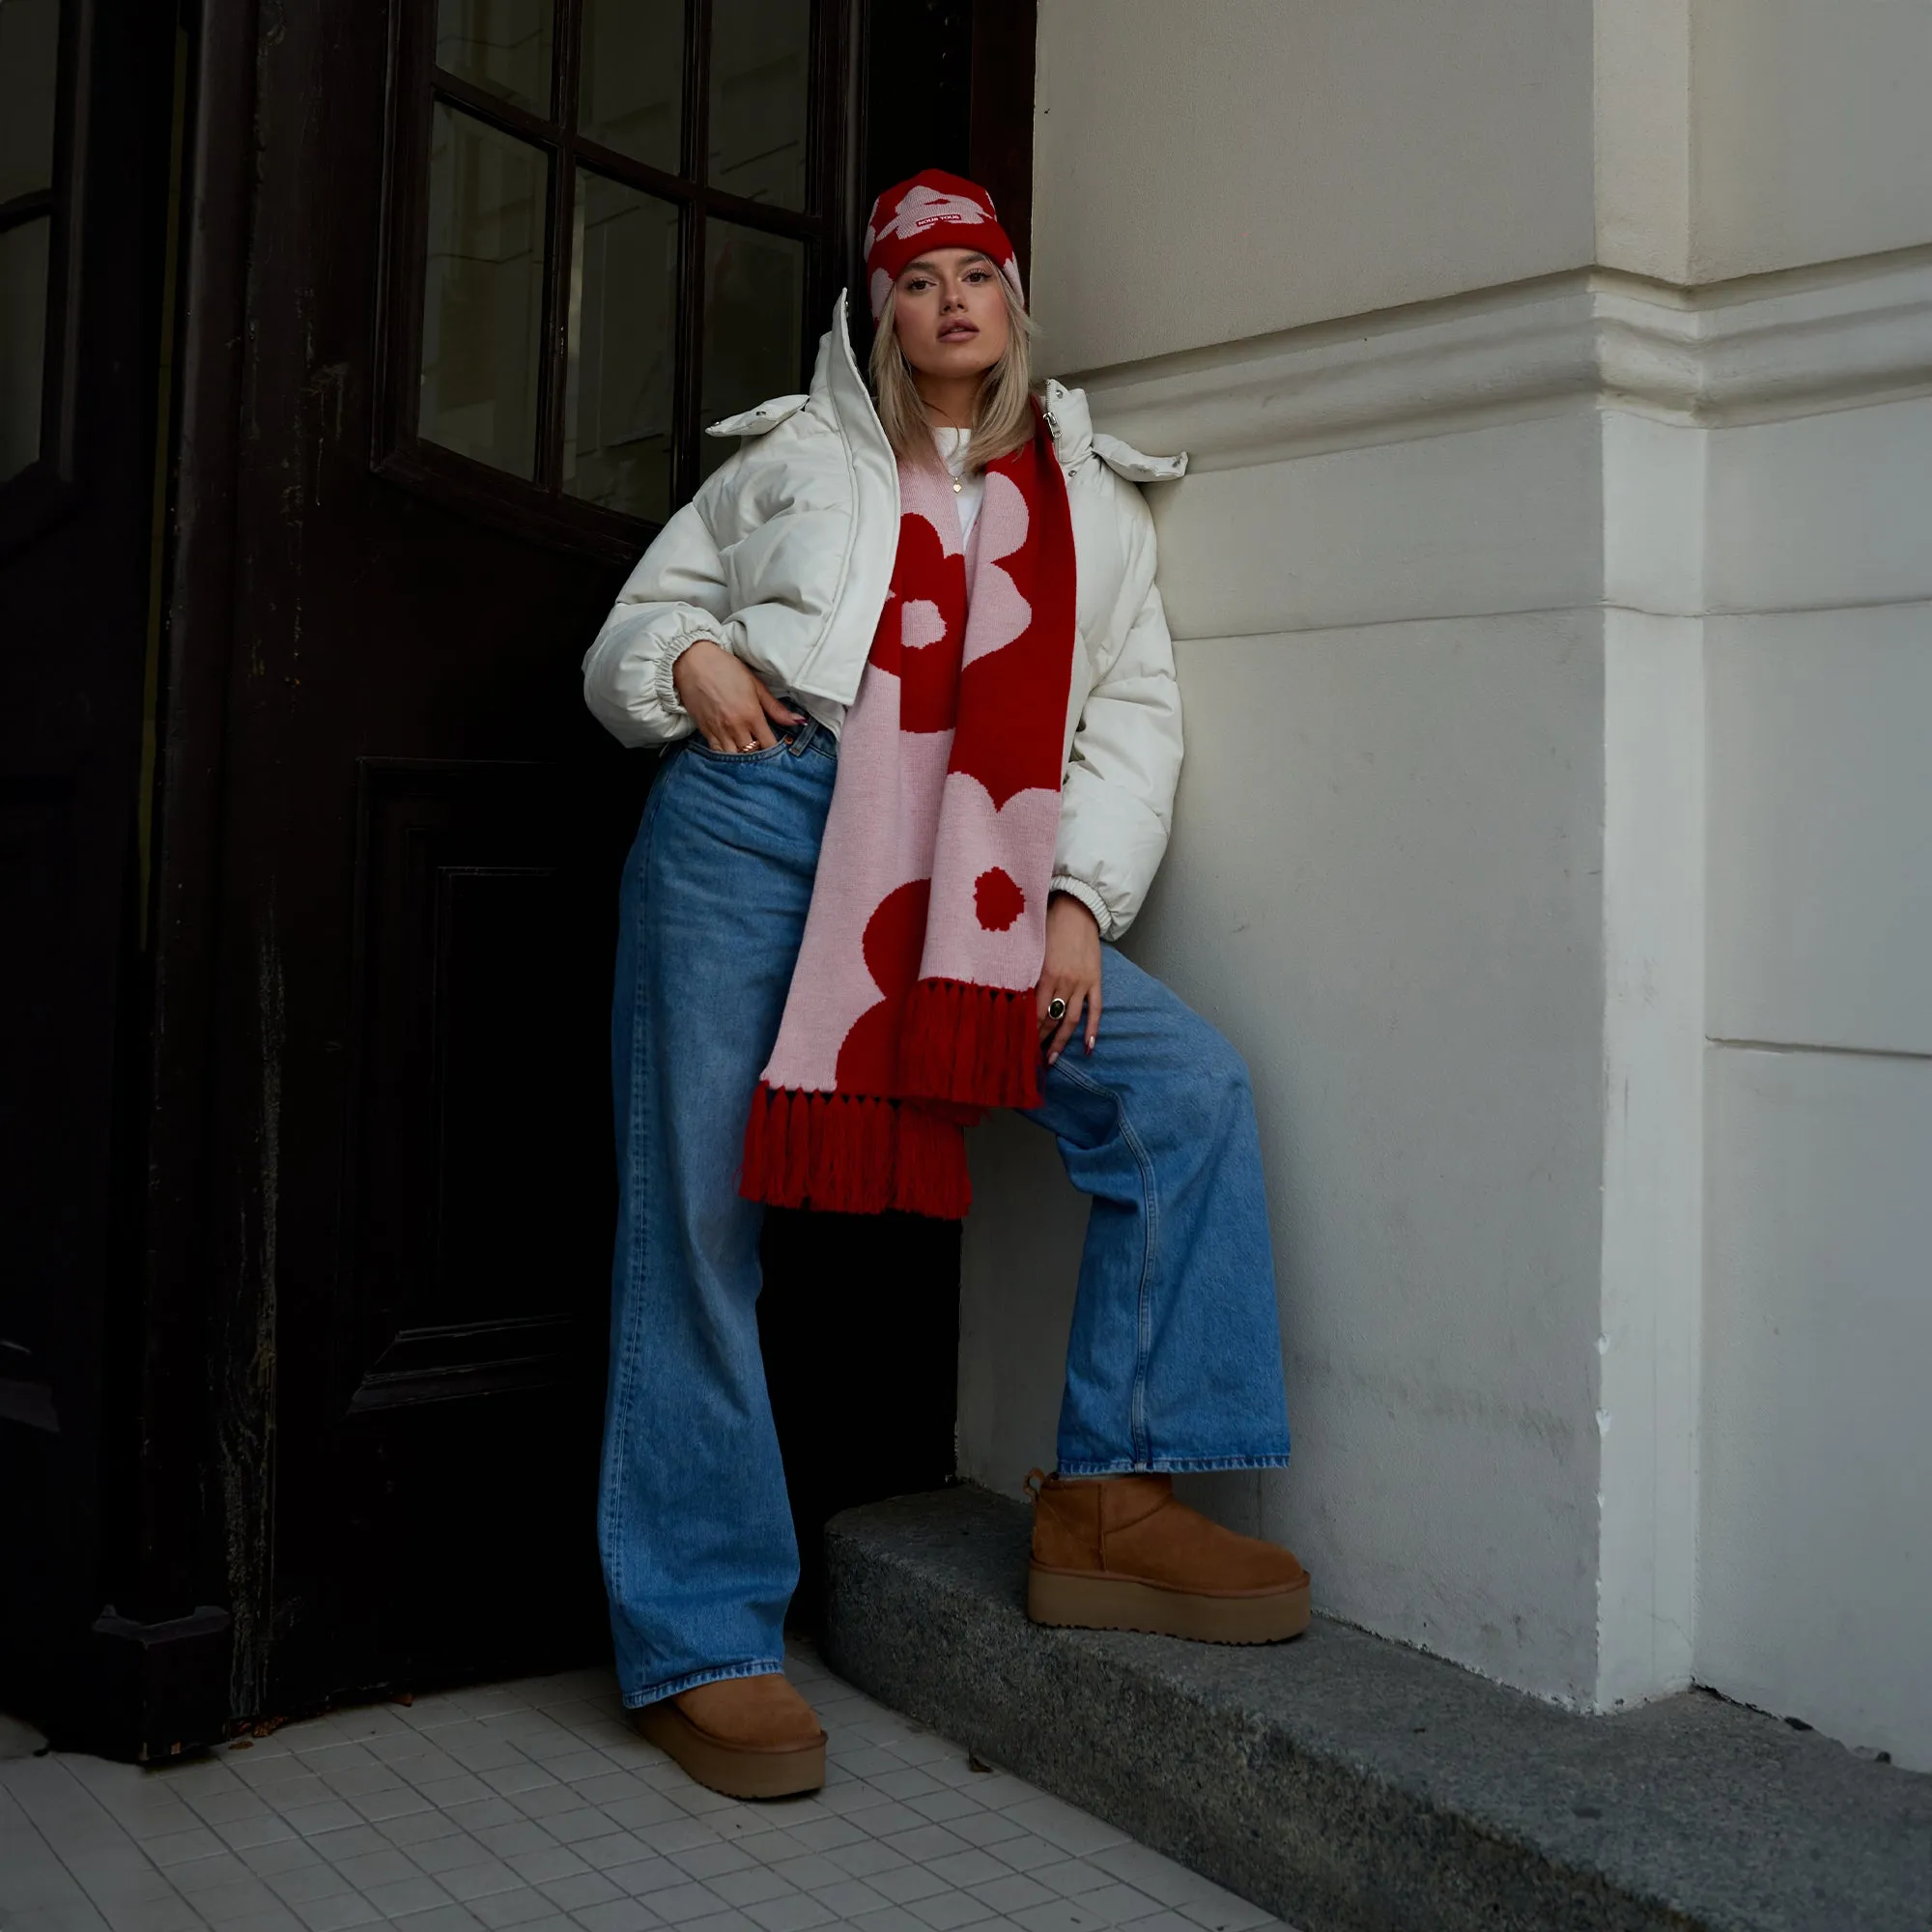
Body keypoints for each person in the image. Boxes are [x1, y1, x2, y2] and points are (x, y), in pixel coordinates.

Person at [581, 171, 1309, 1802]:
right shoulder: (787, 457)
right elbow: (640, 626)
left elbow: (1127, 722)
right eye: (922, 280)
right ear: (882, 312)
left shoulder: (1092, 502)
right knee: (692, 1216)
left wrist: (1075, 902)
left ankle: (1115, 1494)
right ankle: (704, 1635)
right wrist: (682, 663)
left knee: (1181, 1087)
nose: (955, 301)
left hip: (984, 873)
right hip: (758, 817)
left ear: (1017, 304)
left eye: (982, 273)